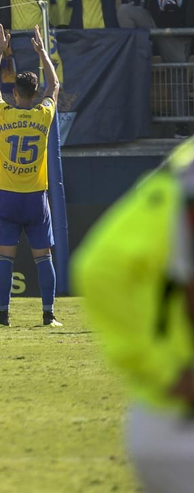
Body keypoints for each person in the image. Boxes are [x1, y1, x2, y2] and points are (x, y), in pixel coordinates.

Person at [73, 138, 194, 493]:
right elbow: (99, 269)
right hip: (180, 418)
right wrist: (163, 370)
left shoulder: (182, 167)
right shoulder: (185, 180)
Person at [0, 24, 62, 328]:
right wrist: (43, 53)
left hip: (7, 196)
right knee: (43, 258)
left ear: (14, 93)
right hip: (35, 198)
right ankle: (48, 315)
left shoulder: (3, 114)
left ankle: (3, 316)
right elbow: (54, 85)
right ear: (35, 93)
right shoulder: (44, 115)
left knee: (5, 258)